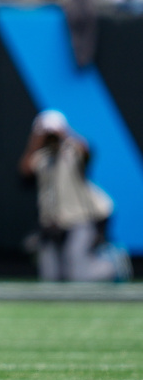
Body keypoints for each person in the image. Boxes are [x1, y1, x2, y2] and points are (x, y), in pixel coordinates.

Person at [18, 110, 132, 282]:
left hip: (81, 219)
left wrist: (63, 133)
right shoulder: (41, 158)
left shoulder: (72, 153)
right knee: (50, 277)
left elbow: (87, 152)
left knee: (78, 276)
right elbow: (25, 171)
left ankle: (112, 266)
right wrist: (36, 140)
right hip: (53, 223)